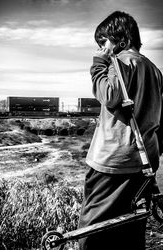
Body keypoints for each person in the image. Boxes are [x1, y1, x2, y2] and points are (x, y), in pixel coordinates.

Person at [78, 11, 163, 250]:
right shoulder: (155, 70)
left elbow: (110, 96)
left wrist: (98, 65)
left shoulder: (120, 60)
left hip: (113, 162)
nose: (101, 49)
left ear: (122, 41)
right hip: (145, 163)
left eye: (103, 43)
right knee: (131, 228)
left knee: (92, 230)